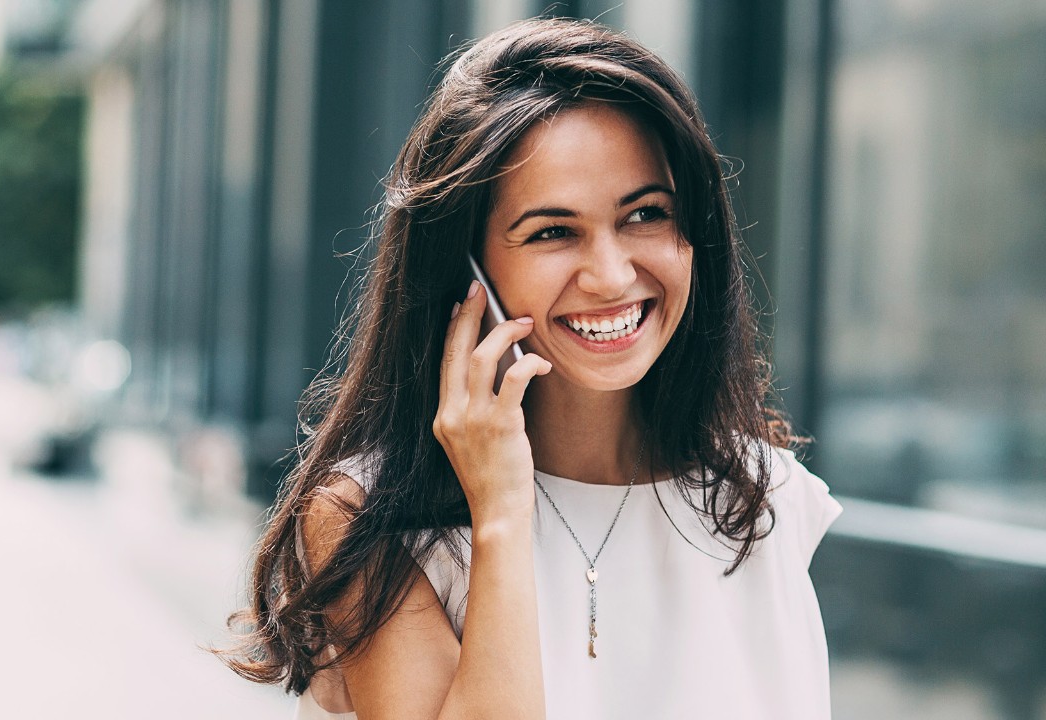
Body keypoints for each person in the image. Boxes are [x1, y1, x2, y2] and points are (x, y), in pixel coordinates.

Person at [220, 17, 842, 719]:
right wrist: (502, 514)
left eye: (646, 215)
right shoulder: (368, 521)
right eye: (552, 232)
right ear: (466, 270)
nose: (611, 276)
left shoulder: (768, 504)